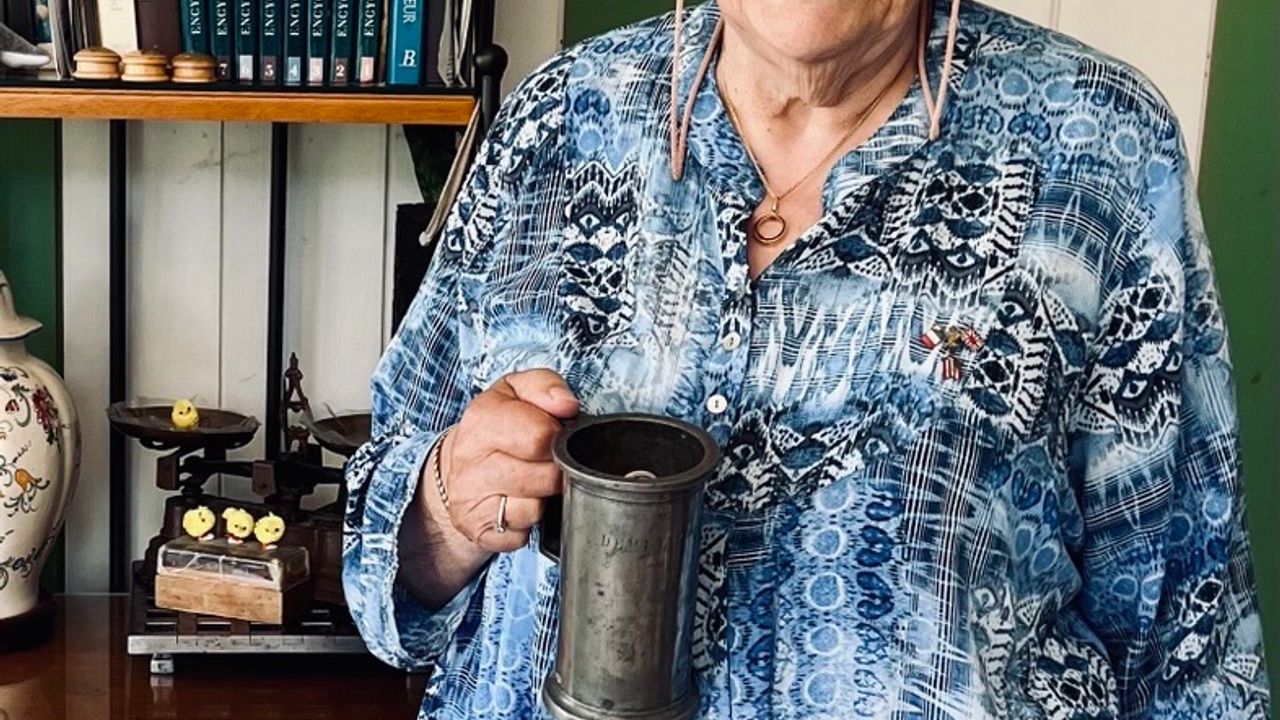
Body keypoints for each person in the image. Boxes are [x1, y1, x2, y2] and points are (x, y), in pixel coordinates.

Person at [343, 0, 1271, 717]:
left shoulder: (1099, 148)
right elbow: (382, 545)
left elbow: (1189, 637)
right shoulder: (557, 121)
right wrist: (447, 509)